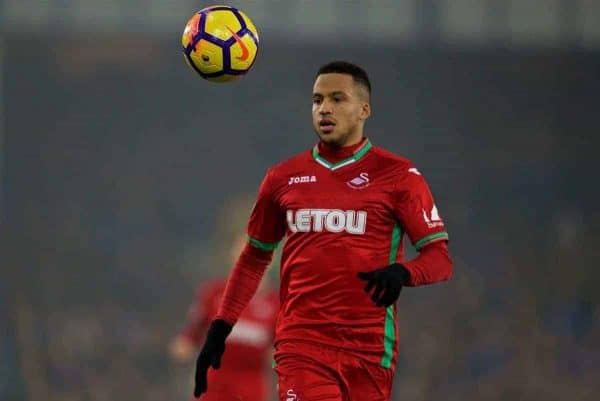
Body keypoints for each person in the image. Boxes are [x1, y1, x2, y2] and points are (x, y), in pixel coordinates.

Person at [193, 61, 453, 401]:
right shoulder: (282, 178)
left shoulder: (399, 176)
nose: (324, 108)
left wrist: (404, 272)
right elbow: (255, 257)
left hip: (370, 350)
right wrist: (220, 326)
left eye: (337, 99)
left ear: (364, 109)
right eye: (317, 100)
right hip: (302, 345)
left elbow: (439, 258)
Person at [170, 218, 279, 401]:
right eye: (245, 247)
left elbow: (280, 348)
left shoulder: (277, 303)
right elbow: (189, 337)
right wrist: (185, 344)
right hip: (213, 384)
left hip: (251, 387)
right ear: (233, 252)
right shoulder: (213, 293)